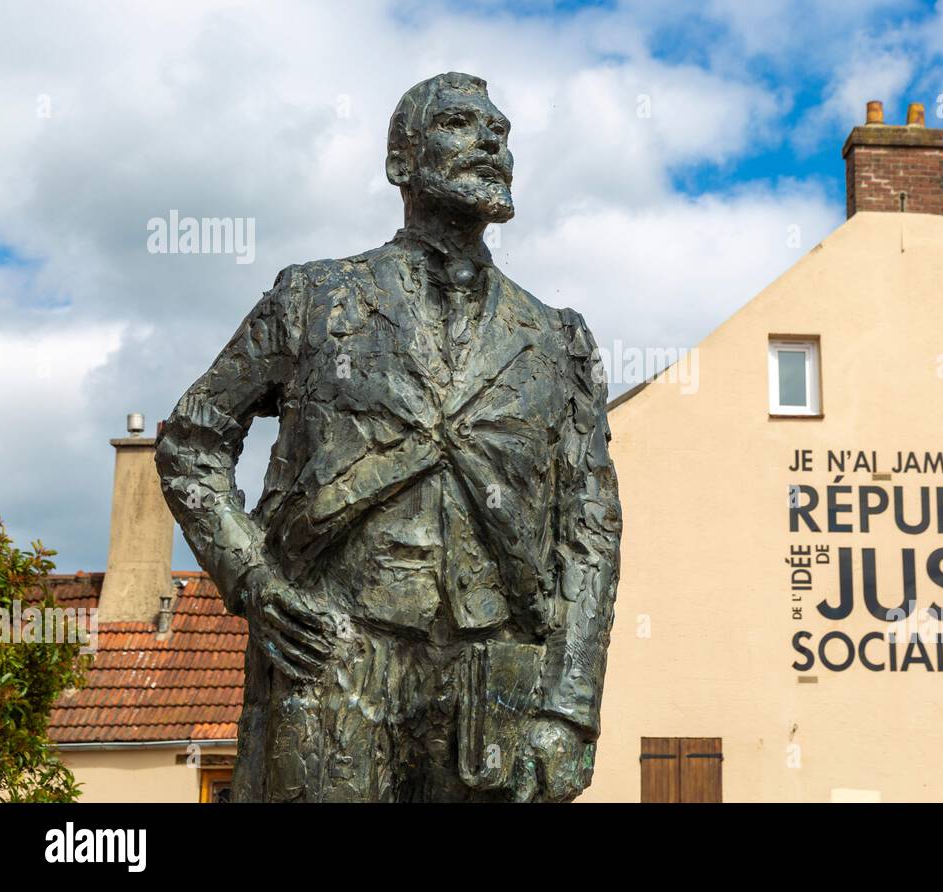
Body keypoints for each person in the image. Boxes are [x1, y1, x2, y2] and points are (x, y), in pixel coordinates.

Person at [156, 72, 622, 801]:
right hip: (334, 662)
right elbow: (193, 442)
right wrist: (253, 581)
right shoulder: (313, 299)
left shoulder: (557, 339)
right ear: (400, 162)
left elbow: (590, 532)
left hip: (496, 682)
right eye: (463, 123)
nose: (493, 138)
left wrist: (570, 708)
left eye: (500, 130)